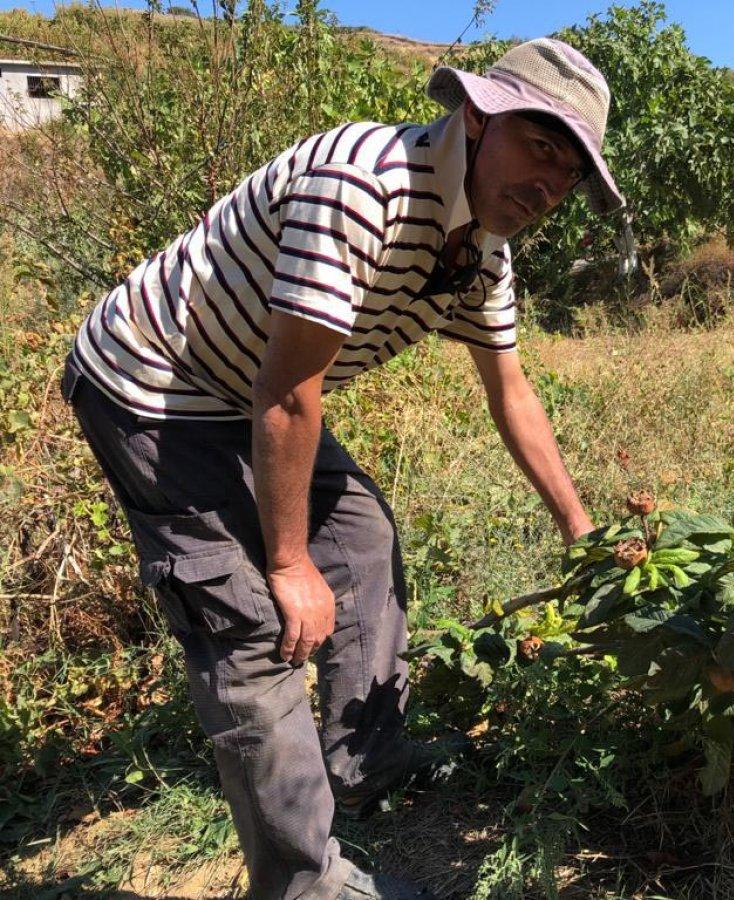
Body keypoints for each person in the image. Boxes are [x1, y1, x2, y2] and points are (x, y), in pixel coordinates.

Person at [59, 38, 623, 899]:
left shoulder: (482, 251)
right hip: (156, 386)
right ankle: (305, 884)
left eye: (571, 169)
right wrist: (286, 564)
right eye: (539, 145)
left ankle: (366, 758)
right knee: (250, 625)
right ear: (476, 115)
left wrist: (582, 533)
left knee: (360, 538)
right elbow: (288, 393)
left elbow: (511, 392)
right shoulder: (367, 185)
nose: (549, 183)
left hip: (252, 386)